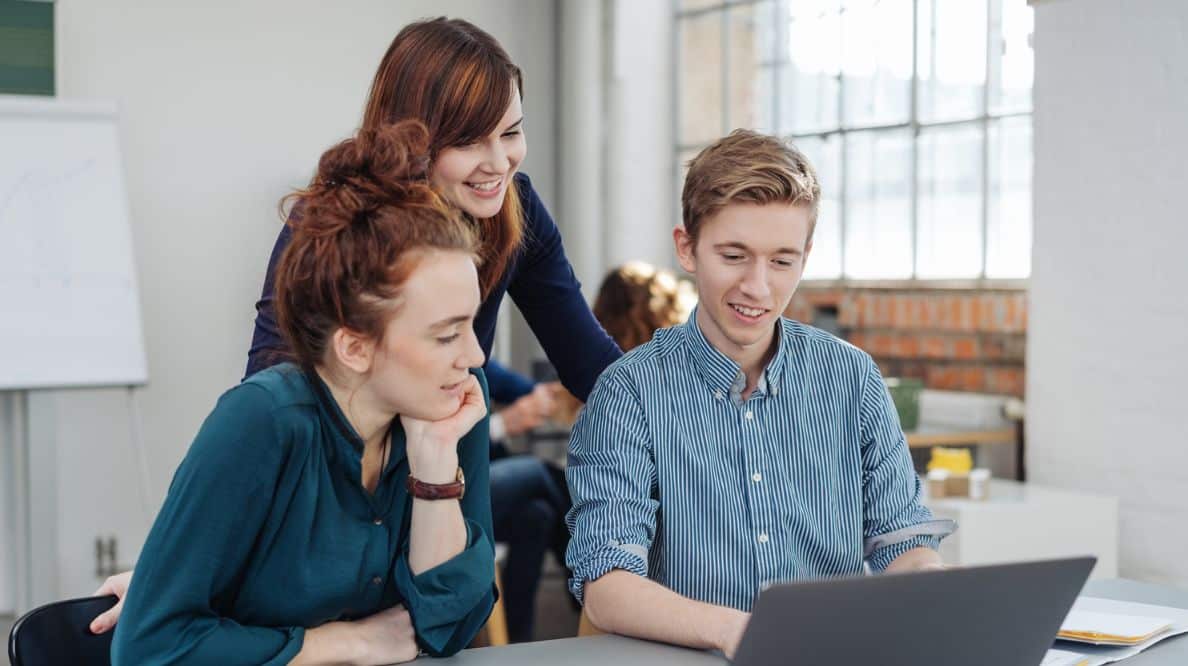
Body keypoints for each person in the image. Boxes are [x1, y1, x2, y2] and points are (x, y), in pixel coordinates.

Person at [89, 15, 623, 637]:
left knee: (448, 619)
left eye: (511, 132)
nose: (497, 162)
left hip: (428, 472)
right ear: (415, 138)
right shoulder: (333, 228)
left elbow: (595, 366)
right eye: (470, 141)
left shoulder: (512, 212)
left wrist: (712, 407)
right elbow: (269, 399)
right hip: (333, 511)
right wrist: (191, 572)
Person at [110, 122, 496, 664]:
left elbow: (448, 628)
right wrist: (350, 642)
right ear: (355, 347)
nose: (475, 356)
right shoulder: (263, 421)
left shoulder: (448, 404)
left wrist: (435, 471)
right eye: (446, 334)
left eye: (472, 325)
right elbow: (149, 647)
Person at [565, 130, 955, 658]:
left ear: (805, 257)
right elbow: (607, 586)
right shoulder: (629, 394)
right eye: (734, 255)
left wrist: (938, 602)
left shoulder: (852, 379)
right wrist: (740, 633)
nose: (758, 286)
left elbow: (904, 542)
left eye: (781, 261)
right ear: (687, 248)